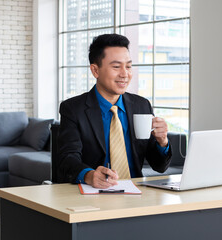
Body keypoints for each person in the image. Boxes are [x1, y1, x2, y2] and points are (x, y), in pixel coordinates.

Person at [58, 34, 172, 189]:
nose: (125, 74)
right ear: (95, 70)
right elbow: (67, 159)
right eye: (116, 67)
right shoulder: (73, 109)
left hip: (137, 194)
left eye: (129, 66)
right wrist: (90, 175)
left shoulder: (141, 105)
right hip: (94, 194)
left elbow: (159, 166)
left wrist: (162, 141)